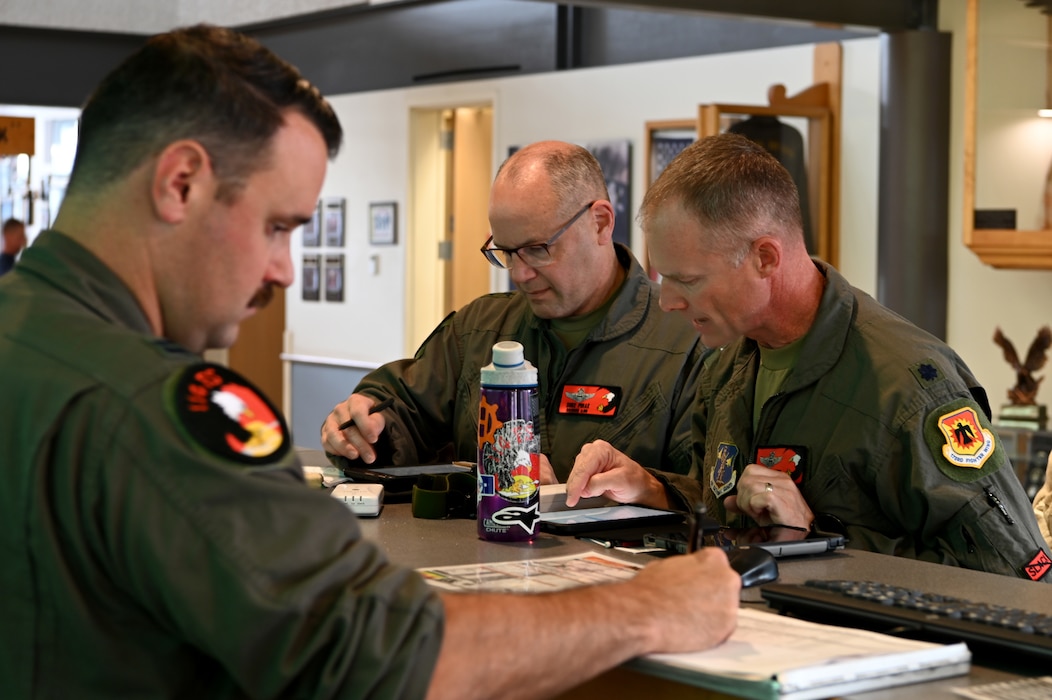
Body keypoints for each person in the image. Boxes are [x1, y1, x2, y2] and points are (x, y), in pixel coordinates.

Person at [0, 25, 740, 699]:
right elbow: (379, 653)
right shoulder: (165, 412)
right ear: (181, 183)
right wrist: (644, 608)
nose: (286, 270)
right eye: (278, 226)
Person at [566, 132, 1052, 582]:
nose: (668, 302)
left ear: (765, 258)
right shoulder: (727, 367)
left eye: (687, 281)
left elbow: (1019, 573)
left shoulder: (909, 385)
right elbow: (732, 511)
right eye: (663, 279)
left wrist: (818, 539)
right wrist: (651, 488)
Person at [322, 140, 704, 489]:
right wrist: (364, 428)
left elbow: (709, 499)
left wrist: (624, 492)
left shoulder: (690, 340)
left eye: (537, 249)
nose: (519, 274)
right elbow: (405, 410)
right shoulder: (477, 331)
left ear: (600, 222)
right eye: (505, 252)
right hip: (478, 557)